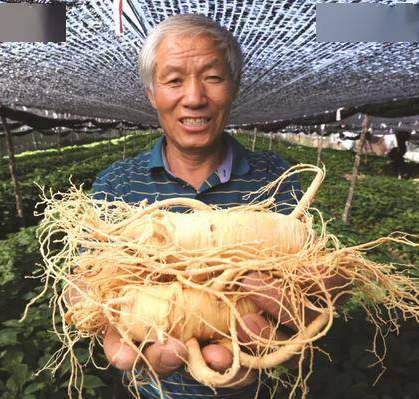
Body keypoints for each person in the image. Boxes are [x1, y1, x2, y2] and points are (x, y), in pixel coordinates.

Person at [79, 14, 348, 399]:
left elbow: (304, 277)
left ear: (234, 87)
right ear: (152, 93)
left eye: (213, 77)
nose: (194, 97)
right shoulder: (115, 183)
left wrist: (318, 300)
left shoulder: (274, 177)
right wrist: (87, 299)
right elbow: (89, 275)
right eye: (174, 80)